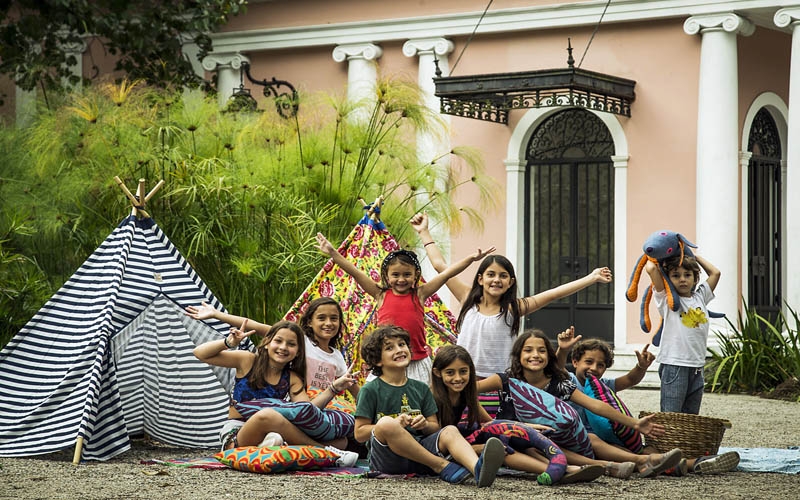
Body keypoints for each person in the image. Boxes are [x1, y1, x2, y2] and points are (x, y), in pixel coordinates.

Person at [410, 212, 611, 379]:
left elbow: (553, 294)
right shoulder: (466, 298)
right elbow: (440, 265)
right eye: (491, 274)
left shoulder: (513, 308)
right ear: (480, 279)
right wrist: (424, 232)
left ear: (510, 282)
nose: (496, 280)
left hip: (501, 380)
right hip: (464, 378)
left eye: (503, 276)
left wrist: (591, 278)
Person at [478, 330, 683, 479]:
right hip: (518, 438)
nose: (535, 355)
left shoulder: (558, 383)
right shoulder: (505, 380)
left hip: (559, 437)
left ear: (548, 356)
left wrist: (635, 424)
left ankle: (641, 462)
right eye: (528, 350)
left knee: (589, 437)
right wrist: (488, 422)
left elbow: (595, 405)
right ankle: (608, 466)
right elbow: (470, 391)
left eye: (541, 350)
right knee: (539, 444)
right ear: (518, 355)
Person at [316, 231, 493, 384]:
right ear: (386, 275)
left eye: (407, 275)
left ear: (416, 275)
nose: (401, 279)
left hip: (417, 360)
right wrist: (333, 252)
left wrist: (471, 258)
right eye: (396, 275)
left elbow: (447, 273)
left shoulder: (420, 294)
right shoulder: (380, 294)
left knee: (419, 400)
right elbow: (354, 271)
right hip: (387, 360)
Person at [556, 329, 740, 475]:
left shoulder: (602, 385)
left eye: (601, 365)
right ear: (575, 361)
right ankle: (691, 464)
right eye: (588, 362)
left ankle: (690, 464)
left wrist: (641, 367)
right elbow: (557, 368)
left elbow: (629, 380)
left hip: (607, 438)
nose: (594, 368)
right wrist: (562, 349)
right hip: (582, 438)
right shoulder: (569, 380)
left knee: (645, 449)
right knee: (604, 444)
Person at [354, 325, 505, 486]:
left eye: (402, 344)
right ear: (377, 360)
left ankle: (478, 470)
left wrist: (424, 424)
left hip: (419, 456)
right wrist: (393, 424)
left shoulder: (421, 388)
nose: (399, 349)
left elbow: (435, 427)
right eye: (390, 347)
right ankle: (441, 465)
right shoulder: (370, 390)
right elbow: (359, 433)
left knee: (450, 430)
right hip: (388, 459)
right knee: (386, 424)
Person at [430, 344, 605, 485]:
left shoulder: (466, 396)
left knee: (510, 439)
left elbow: (491, 423)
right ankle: (563, 470)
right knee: (500, 448)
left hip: (467, 445)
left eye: (463, 371)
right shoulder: (433, 397)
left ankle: (559, 469)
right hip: (448, 451)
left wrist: (525, 428)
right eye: (450, 373)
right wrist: (475, 448)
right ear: (438, 373)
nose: (458, 378)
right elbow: (436, 439)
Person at [192, 319, 358, 465]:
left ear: (298, 352)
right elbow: (199, 353)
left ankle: (268, 445)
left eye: (291, 344)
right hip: (239, 431)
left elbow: (307, 410)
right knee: (268, 415)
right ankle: (328, 453)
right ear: (266, 342)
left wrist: (333, 389)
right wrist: (228, 343)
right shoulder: (248, 360)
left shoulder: (291, 377)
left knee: (341, 441)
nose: (283, 347)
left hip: (276, 429)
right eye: (278, 341)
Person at [186, 298, 358, 399]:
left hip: (321, 406)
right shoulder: (297, 341)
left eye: (334, 318)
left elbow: (353, 387)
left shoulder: (337, 356)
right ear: (309, 322)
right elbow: (253, 325)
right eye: (321, 318)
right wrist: (217, 315)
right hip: (297, 403)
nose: (328, 323)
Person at [644, 253, 720, 414]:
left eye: (687, 275)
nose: (683, 279)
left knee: (690, 417)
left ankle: (684, 441)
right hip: (675, 364)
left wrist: (695, 257)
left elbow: (715, 273)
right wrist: (666, 257)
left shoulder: (701, 297)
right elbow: (650, 268)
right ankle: (667, 441)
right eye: (676, 276)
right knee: (671, 414)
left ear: (695, 277)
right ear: (668, 278)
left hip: (697, 366)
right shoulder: (666, 299)